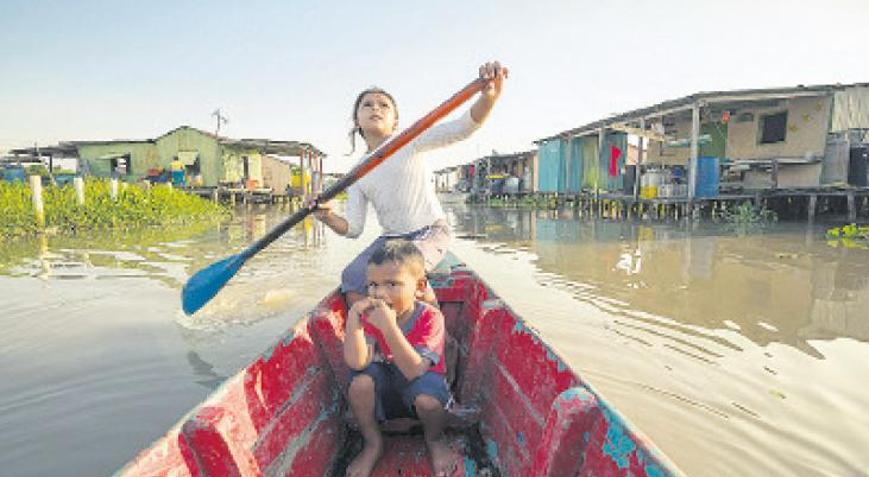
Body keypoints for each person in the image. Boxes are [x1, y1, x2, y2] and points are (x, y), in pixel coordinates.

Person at [314, 61, 508, 307]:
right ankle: (367, 334)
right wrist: (328, 216)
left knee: (403, 270)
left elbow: (462, 128)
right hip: (391, 238)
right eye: (368, 105)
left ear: (395, 122)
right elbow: (353, 229)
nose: (376, 108)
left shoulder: (410, 141)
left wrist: (489, 97)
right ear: (357, 121)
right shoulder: (357, 173)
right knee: (351, 277)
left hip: (430, 231)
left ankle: (432, 335)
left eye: (384, 105)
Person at [344, 239, 453, 477]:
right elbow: (357, 363)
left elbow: (415, 370)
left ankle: (434, 439)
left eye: (392, 284)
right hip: (386, 387)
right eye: (373, 285)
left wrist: (389, 328)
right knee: (359, 383)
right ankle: (373, 443)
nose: (379, 293)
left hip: (418, 383)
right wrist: (353, 318)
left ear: (420, 286)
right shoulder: (371, 316)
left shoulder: (431, 318)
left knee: (429, 402)